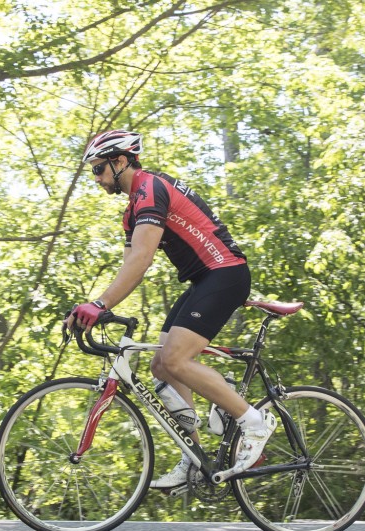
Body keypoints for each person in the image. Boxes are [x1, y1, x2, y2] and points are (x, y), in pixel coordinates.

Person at [66, 129, 277, 488]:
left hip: (225, 273)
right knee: (162, 367)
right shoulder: (131, 212)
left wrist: (99, 304)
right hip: (204, 280)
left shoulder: (150, 190)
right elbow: (129, 265)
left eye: (99, 169)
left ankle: (254, 422)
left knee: (176, 359)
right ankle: (195, 460)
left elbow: (143, 258)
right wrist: (98, 306)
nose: (96, 179)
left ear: (121, 161)